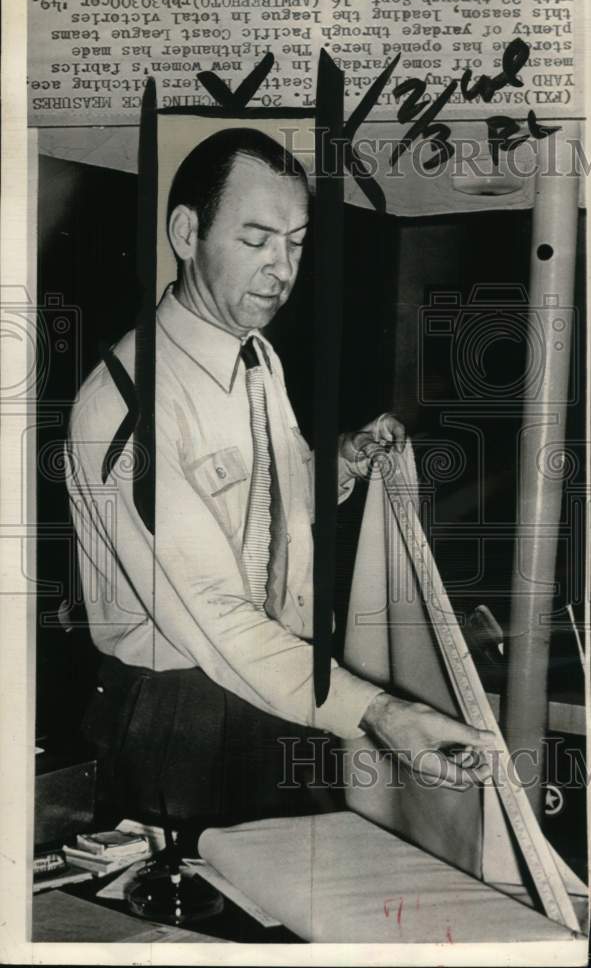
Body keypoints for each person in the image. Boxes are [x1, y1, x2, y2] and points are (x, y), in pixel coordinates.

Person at [66, 128, 494, 830]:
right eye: (256, 238)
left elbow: (266, 491)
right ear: (185, 231)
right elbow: (216, 614)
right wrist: (379, 712)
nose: (280, 268)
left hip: (284, 687)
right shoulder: (128, 405)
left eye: (294, 243)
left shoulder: (256, 356)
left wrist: (340, 461)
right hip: (187, 714)